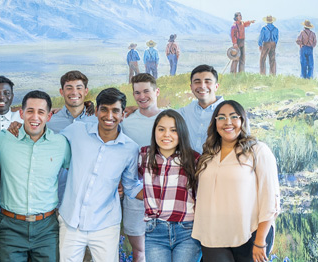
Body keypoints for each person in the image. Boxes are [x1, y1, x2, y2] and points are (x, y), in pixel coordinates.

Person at [58, 88, 143, 261]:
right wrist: (18, 127)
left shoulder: (131, 149)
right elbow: (49, 143)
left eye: (115, 111)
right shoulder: (76, 131)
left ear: (123, 115)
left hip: (106, 225)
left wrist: (160, 193)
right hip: (70, 221)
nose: (109, 115)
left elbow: (131, 186)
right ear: (96, 111)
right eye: (104, 109)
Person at [191, 100, 280, 262]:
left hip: (250, 233)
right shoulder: (208, 155)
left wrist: (260, 241)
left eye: (234, 117)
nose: (228, 122)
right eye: (222, 117)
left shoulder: (258, 151)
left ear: (242, 121)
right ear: (215, 122)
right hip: (213, 235)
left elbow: (270, 198)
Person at [0, 90, 71, 261]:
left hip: (47, 228)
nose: (35, 117)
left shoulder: (61, 144)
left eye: (41, 112)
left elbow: (80, 171)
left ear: (49, 116)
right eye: (30, 111)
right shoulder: (3, 139)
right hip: (10, 227)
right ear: (21, 113)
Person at [137, 109, 202, 262]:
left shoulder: (195, 159)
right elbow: (129, 180)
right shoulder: (144, 156)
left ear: (181, 133)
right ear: (154, 131)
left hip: (187, 230)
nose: (166, 134)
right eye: (161, 129)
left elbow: (201, 195)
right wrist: (139, 193)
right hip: (155, 231)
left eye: (173, 130)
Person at [120, 73, 162, 262]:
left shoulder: (170, 118)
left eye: (146, 91)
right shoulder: (126, 123)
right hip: (136, 195)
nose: (142, 96)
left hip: (165, 194)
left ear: (156, 91)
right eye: (137, 92)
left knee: (164, 248)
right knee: (139, 252)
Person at [178, 64, 224, 153]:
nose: (202, 86)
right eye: (197, 81)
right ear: (191, 87)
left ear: (216, 86)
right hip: (189, 164)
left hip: (218, 165)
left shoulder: (230, 111)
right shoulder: (186, 110)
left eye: (208, 81)